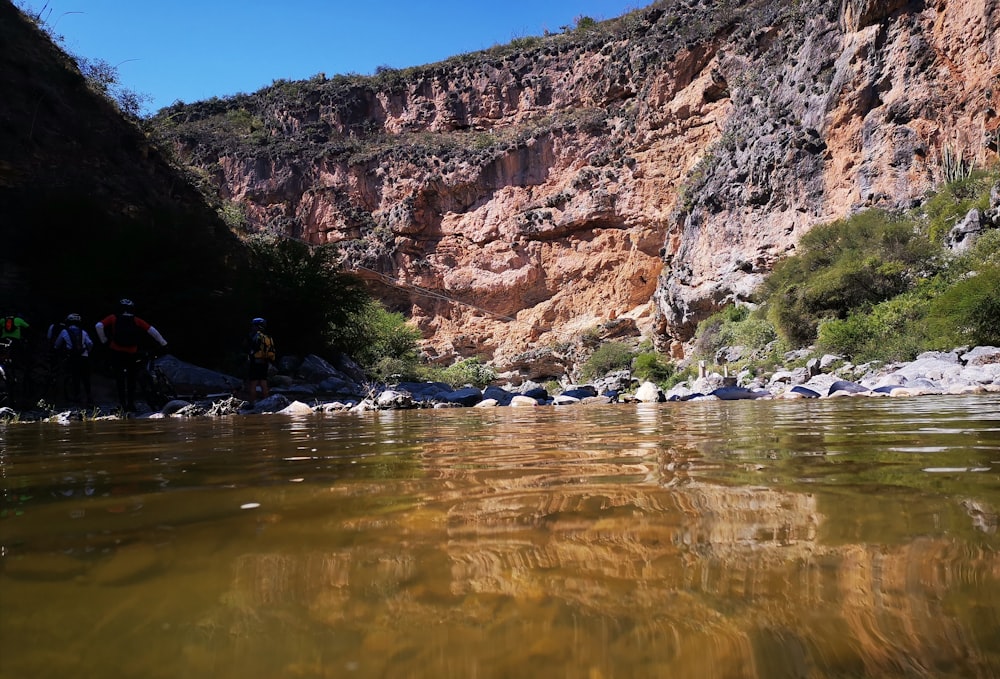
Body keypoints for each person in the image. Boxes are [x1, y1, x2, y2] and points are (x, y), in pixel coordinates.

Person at [95, 299, 168, 412]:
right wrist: (163, 343)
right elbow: (151, 330)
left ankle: (122, 404)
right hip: (132, 352)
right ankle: (131, 404)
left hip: (116, 351)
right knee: (131, 379)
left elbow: (98, 326)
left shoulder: (113, 318)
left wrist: (104, 340)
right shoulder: (136, 320)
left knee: (119, 379)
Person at [53, 313, 94, 405]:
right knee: (86, 378)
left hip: (72, 357)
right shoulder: (83, 332)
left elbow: (57, 345)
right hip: (84, 357)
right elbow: (90, 343)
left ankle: (77, 398)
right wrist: (87, 351)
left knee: (75, 377)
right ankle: (89, 397)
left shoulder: (64, 331)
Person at [245, 317, 274, 406]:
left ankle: (252, 404)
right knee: (263, 383)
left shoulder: (253, 336)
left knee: (253, 384)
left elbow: (247, 348)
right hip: (265, 362)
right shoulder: (267, 336)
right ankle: (267, 403)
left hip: (255, 363)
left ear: (256, 326)